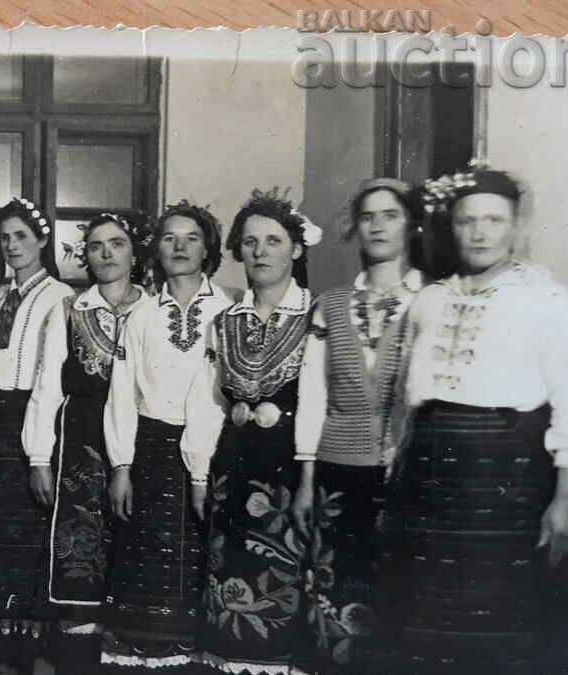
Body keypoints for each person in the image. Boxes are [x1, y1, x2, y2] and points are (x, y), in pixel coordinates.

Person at [374, 168, 568, 674]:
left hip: (506, 480)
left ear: (515, 226)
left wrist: (566, 499)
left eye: (494, 220)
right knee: (424, 622)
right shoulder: (429, 300)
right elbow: (407, 405)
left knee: (499, 625)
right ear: (452, 227)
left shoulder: (546, 300)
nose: (480, 232)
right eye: (468, 221)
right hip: (427, 483)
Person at [289, 178, 425, 674]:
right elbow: (313, 396)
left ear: (410, 223)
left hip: (404, 476)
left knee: (398, 597)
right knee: (333, 596)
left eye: (389, 214)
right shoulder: (331, 304)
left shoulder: (431, 301)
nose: (378, 226)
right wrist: (306, 482)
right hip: (336, 473)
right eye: (368, 217)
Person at [185, 188, 319, 673]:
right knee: (228, 581)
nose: (260, 251)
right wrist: (200, 475)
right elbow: (207, 404)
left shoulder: (315, 317)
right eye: (250, 242)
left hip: (288, 470)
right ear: (238, 250)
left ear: (297, 250)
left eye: (273, 241)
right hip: (233, 466)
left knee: (286, 582)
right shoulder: (223, 323)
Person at [101, 200, 239, 671]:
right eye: (168, 238)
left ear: (208, 250)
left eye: (191, 238)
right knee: (147, 570)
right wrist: (121, 466)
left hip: (214, 453)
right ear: (155, 250)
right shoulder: (140, 316)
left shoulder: (229, 311)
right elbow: (121, 393)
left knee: (203, 566)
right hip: (151, 454)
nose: (179, 247)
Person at [23, 213, 151, 673]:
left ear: (134, 252)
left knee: (133, 546)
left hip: (141, 443)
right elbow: (47, 386)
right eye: (96, 246)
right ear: (86, 256)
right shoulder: (69, 312)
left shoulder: (154, 311)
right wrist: (39, 456)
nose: (107, 253)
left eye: (117, 244)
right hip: (78, 441)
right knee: (80, 549)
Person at [0, 197, 74, 674]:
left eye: (21, 237)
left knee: (30, 544)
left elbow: (50, 382)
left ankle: (31, 658)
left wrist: (39, 456)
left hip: (33, 426)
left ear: (42, 241)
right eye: (4, 238)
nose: (12, 246)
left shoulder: (58, 297)